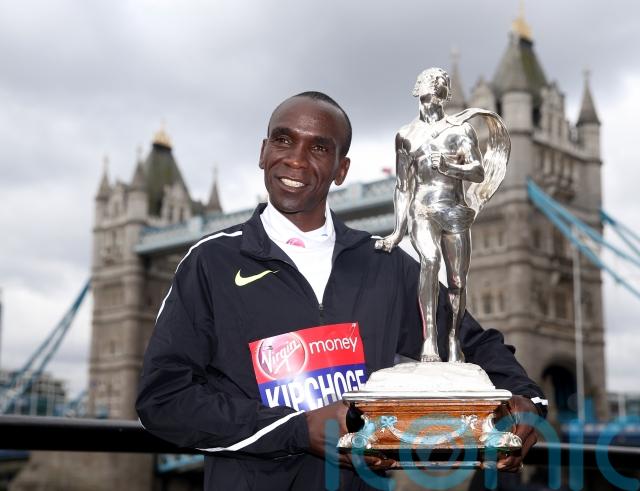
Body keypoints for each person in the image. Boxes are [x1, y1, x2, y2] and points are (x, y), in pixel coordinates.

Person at [136, 91, 547, 491]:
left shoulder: (385, 264)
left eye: (319, 148)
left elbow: (473, 342)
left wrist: (526, 401)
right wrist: (297, 429)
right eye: (283, 140)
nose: (296, 159)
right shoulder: (211, 262)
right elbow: (163, 399)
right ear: (263, 152)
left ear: (341, 169)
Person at [375, 67, 509, 365]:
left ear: (446, 94)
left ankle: (453, 338)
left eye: (441, 82)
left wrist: (450, 167)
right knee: (429, 261)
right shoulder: (405, 136)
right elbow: (403, 187)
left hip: (454, 209)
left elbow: (478, 171)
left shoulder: (461, 130)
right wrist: (397, 232)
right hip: (421, 209)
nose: (435, 85)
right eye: (430, 80)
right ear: (417, 88)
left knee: (458, 280)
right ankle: (429, 340)